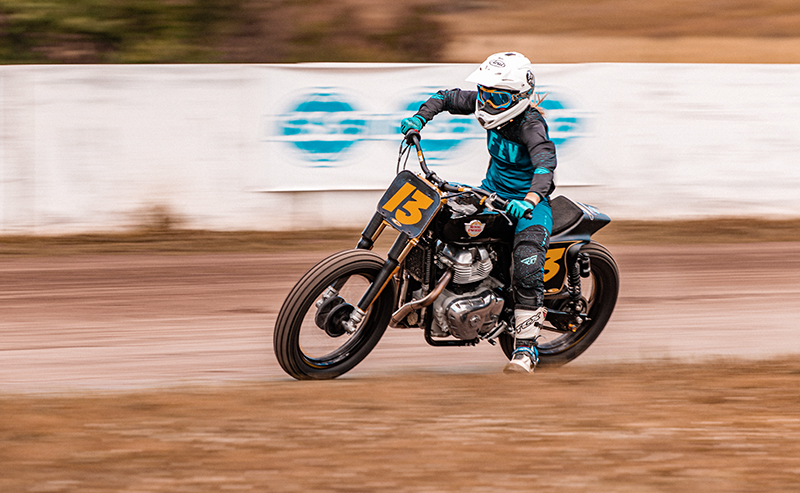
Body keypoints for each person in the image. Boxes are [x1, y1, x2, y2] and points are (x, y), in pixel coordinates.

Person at [400, 52, 556, 374]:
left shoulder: (531, 125)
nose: (486, 102)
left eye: (496, 96)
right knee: (437, 224)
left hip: (529, 204)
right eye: (484, 93)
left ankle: (526, 350)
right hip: (490, 192)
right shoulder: (487, 102)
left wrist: (529, 199)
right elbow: (445, 97)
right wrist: (420, 118)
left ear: (519, 97)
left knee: (527, 267)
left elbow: (544, 163)